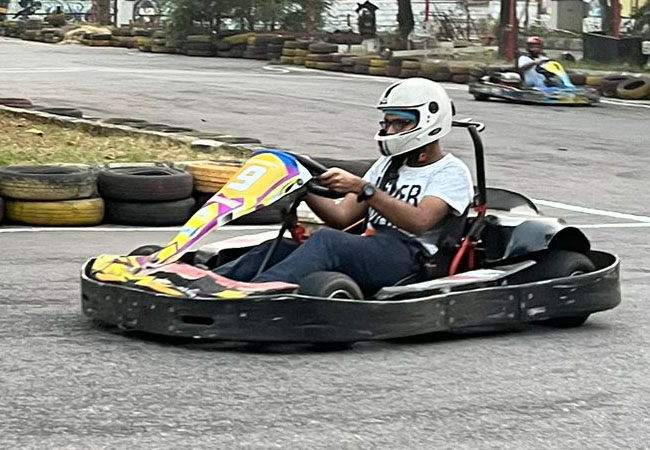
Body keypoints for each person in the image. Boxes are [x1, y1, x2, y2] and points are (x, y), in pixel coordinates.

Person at [214, 78, 474, 295]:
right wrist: (304, 188)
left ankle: (251, 294)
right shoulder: (385, 166)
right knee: (282, 247)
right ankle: (207, 284)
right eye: (387, 123)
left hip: (410, 258)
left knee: (328, 242)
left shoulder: (450, 172)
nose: (391, 130)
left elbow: (420, 222)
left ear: (429, 121)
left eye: (400, 123)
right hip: (372, 248)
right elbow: (341, 218)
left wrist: (364, 189)